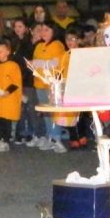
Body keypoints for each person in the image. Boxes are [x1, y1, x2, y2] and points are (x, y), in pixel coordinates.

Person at [31, 22, 69, 152]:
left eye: (46, 30)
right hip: (39, 82)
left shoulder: (57, 45)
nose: (43, 33)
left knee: (54, 111)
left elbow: (55, 63)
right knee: (46, 112)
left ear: (54, 32)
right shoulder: (38, 46)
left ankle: (56, 137)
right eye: (41, 30)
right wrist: (36, 64)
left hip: (52, 83)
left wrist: (38, 63)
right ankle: (50, 136)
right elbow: (35, 63)